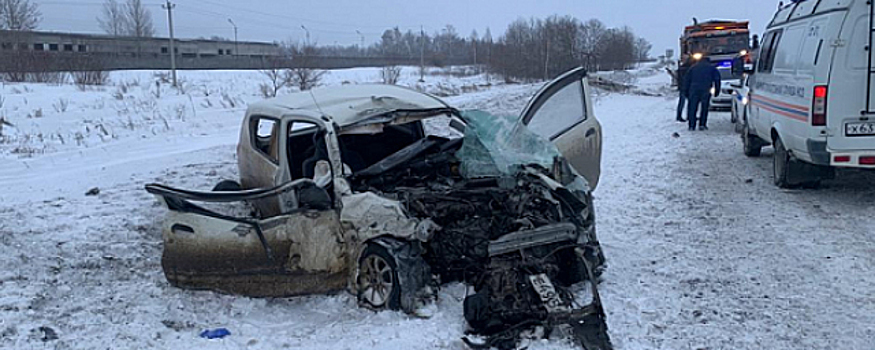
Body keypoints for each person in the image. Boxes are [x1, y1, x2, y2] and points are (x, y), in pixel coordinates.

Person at [682, 56, 721, 131]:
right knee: (704, 108)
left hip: (694, 89)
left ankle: (691, 125)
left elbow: (686, 80)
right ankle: (702, 124)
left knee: (692, 108)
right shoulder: (712, 68)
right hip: (706, 89)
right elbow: (717, 80)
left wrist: (685, 91)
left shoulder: (693, 68)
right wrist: (717, 91)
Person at [676, 57, 692, 122]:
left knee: (682, 102)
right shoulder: (691, 68)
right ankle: (689, 116)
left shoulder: (681, 68)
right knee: (690, 103)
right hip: (688, 87)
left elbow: (679, 79)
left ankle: (679, 116)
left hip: (682, 87)